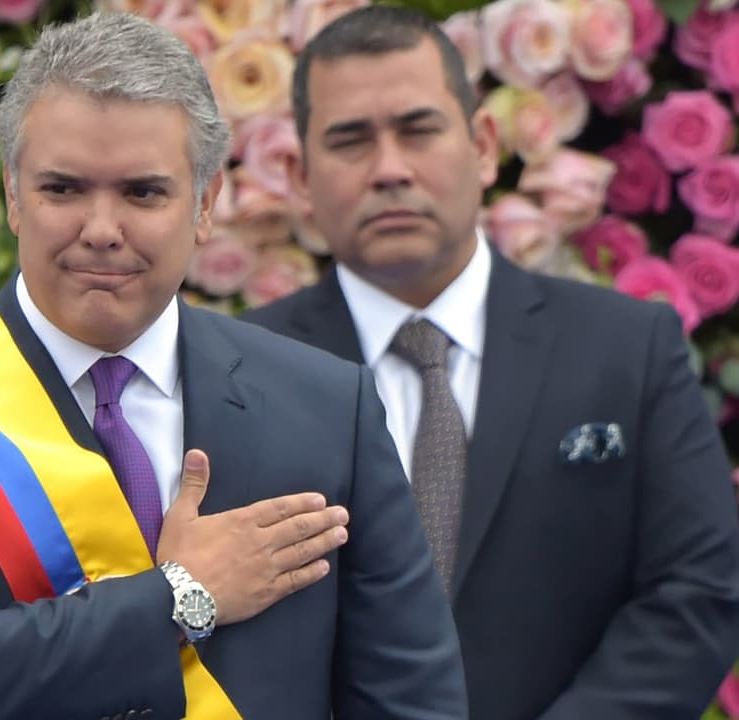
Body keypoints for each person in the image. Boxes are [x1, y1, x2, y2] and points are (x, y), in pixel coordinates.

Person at [0, 11, 466, 720]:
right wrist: (181, 594)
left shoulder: (326, 403)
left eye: (142, 193)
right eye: (63, 189)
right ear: (13, 196)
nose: (101, 230)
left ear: (205, 204)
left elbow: (409, 701)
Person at [241, 6, 739, 719]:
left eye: (419, 130)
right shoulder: (245, 371)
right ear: (298, 175)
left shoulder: (627, 350)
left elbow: (698, 590)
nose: (390, 169)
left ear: (481, 146)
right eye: (350, 141)